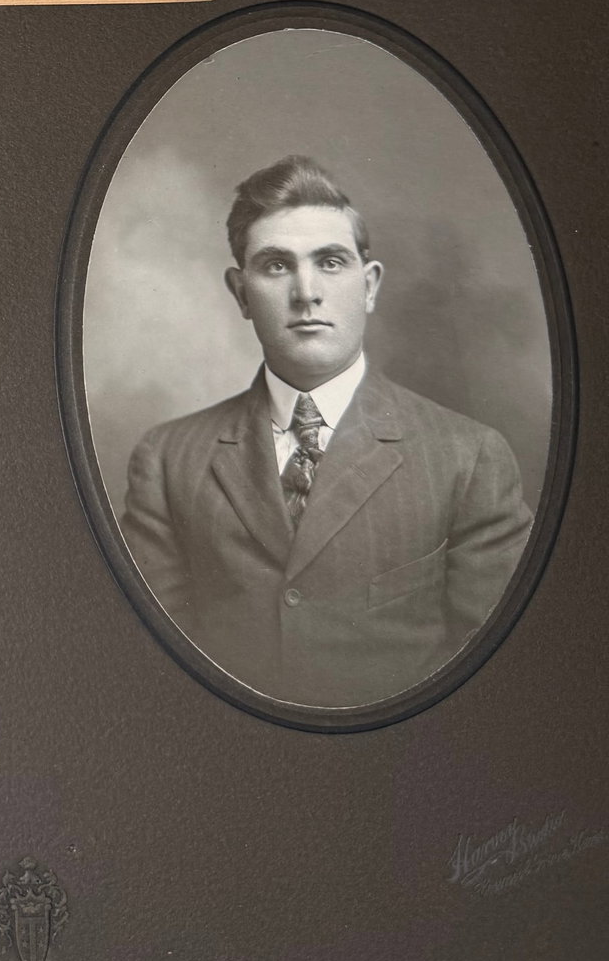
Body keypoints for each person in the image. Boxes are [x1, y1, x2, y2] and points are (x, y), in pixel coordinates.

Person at [121, 155, 533, 708]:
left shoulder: (469, 457)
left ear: (369, 286)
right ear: (241, 294)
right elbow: (149, 676)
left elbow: (503, 683)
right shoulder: (169, 460)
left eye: (331, 262)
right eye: (276, 266)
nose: (306, 292)